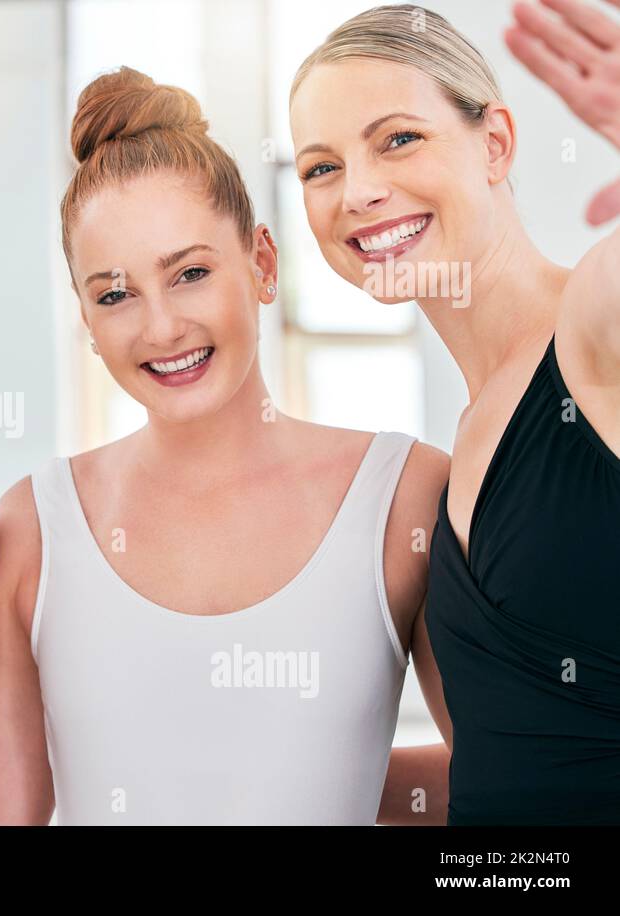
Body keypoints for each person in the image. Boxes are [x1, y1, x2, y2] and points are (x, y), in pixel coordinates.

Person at [0, 67, 452, 826]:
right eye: (115, 294)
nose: (160, 329)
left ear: (261, 263)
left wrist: (328, 781)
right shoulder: (33, 526)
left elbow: (514, 779)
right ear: (86, 319)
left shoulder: (404, 494)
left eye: (189, 273)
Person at [289, 2, 620, 824]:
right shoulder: (461, 446)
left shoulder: (595, 325)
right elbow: (519, 759)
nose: (359, 191)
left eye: (398, 139)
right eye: (320, 168)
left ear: (495, 143)